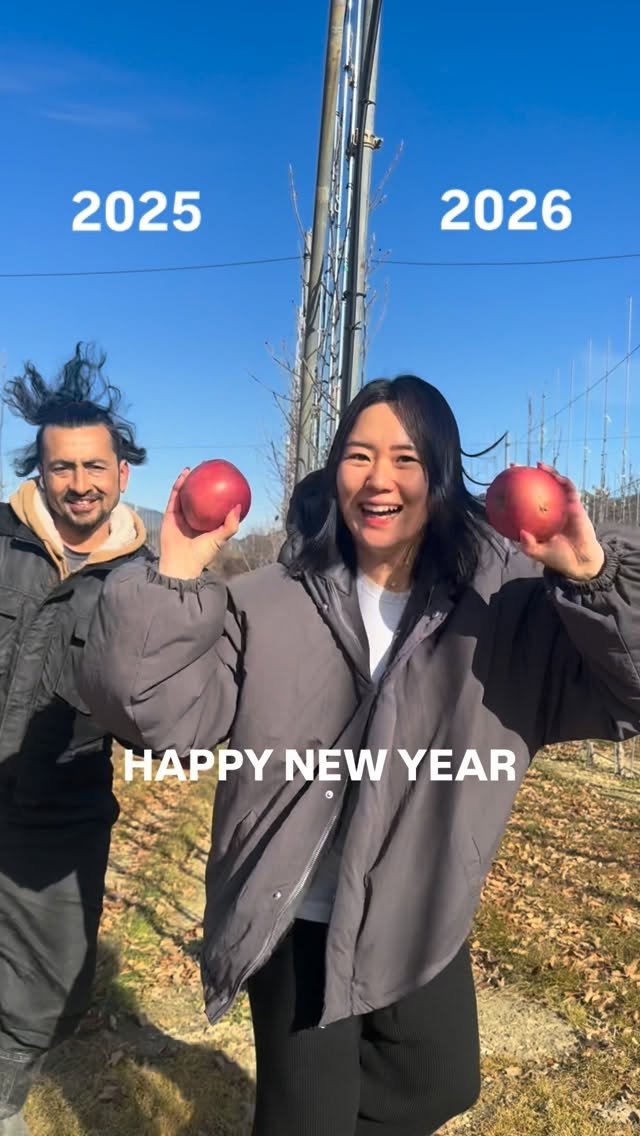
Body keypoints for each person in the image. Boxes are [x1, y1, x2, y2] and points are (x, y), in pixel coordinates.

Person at [77, 375, 640, 1136]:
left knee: (439, 1084)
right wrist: (174, 574)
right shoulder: (268, 599)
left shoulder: (502, 606)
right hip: (297, 908)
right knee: (308, 1116)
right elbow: (160, 723)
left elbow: (627, 690)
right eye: (359, 455)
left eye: (406, 458)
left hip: (419, 899)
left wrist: (595, 579)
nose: (380, 479)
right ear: (333, 467)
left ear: (440, 477)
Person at [0, 344, 149, 1135]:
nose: (80, 483)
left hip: (61, 813)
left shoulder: (149, 583)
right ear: (39, 470)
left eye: (96, 466)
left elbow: (161, 721)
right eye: (62, 468)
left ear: (123, 472)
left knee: (54, 992)